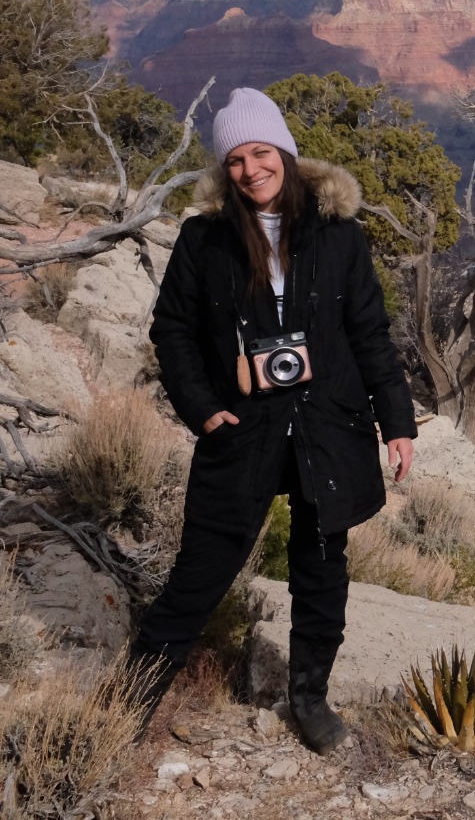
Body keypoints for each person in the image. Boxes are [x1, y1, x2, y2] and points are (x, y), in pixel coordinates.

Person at [126, 87, 416, 753]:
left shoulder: (340, 234)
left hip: (329, 426)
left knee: (321, 568)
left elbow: (370, 333)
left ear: (285, 151)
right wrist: (202, 411)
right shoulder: (205, 239)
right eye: (234, 159)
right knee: (202, 568)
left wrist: (397, 423)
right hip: (242, 429)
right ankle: (132, 697)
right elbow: (171, 331)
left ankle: (309, 697)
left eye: (261, 153)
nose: (250, 169)